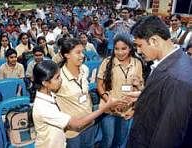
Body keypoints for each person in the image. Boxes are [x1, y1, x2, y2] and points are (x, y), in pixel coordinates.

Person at [127, 15, 192, 147]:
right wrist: (145, 96)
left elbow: (167, 136)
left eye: (140, 45)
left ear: (154, 41)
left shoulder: (177, 80)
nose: (138, 51)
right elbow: (165, 97)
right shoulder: (170, 62)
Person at [32, 60, 126, 148]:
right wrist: (104, 108)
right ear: (45, 83)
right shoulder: (43, 108)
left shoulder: (50, 93)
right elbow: (77, 124)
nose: (61, 80)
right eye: (57, 78)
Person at [97, 33, 143, 148]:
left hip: (127, 111)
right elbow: (99, 86)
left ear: (130, 48)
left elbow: (141, 88)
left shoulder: (137, 63)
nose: (120, 52)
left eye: (124, 49)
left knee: (119, 140)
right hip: (109, 110)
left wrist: (133, 109)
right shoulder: (107, 62)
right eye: (116, 49)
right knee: (108, 140)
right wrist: (110, 103)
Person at [55, 38, 95, 147]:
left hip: (89, 123)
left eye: (82, 52)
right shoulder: (58, 77)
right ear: (66, 55)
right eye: (78, 52)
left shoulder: (84, 69)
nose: (82, 55)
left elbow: (86, 95)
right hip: (72, 131)